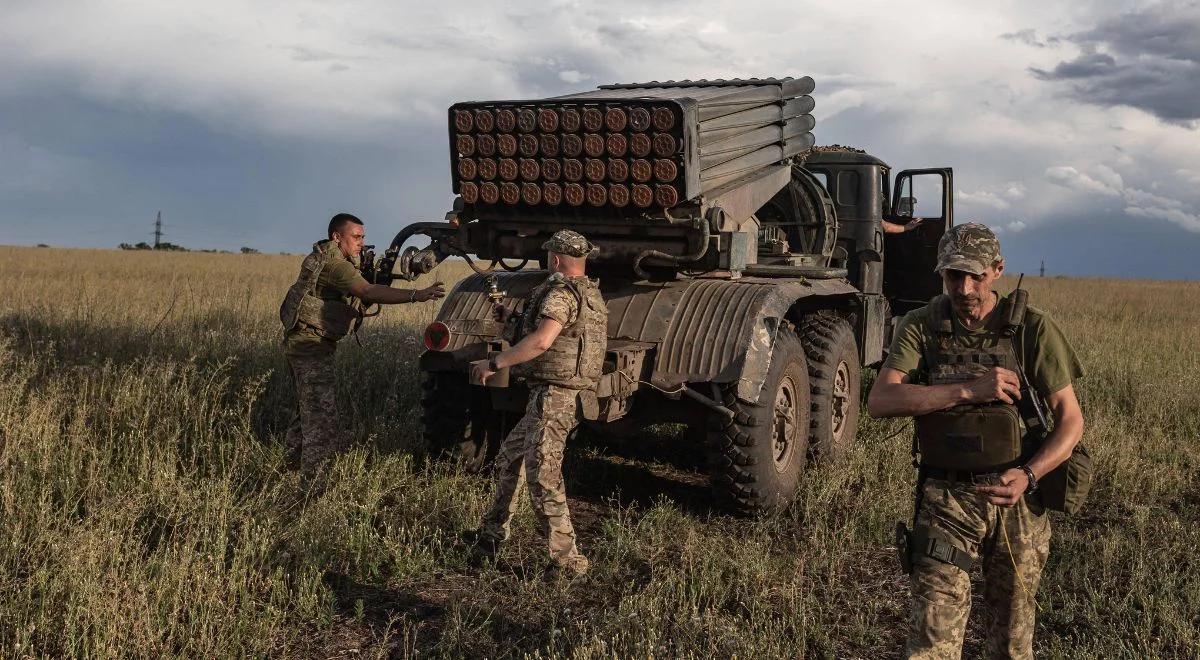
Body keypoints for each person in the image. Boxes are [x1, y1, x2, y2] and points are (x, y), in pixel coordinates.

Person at [866, 222, 1085, 658]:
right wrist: (967, 390)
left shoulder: (1032, 330)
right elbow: (880, 400)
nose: (964, 288)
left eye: (976, 276)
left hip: (1017, 500)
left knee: (1011, 638)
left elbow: (1071, 421)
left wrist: (1028, 474)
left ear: (998, 270)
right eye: (952, 275)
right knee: (931, 638)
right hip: (946, 497)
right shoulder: (921, 326)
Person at [464, 229, 608, 576]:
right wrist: (510, 319)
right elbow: (556, 333)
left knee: (543, 475)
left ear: (556, 259)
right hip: (553, 395)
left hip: (553, 396)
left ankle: (568, 560)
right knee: (510, 457)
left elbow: (542, 342)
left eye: (549, 256)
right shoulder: (590, 293)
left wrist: (495, 363)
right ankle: (490, 536)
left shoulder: (560, 293)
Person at [279, 212, 444, 491]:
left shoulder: (321, 256)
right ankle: (312, 488)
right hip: (310, 346)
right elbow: (367, 291)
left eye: (363, 237)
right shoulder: (336, 267)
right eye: (355, 237)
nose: (361, 242)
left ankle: (287, 469)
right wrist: (417, 294)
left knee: (304, 410)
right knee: (321, 419)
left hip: (302, 341)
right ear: (336, 237)